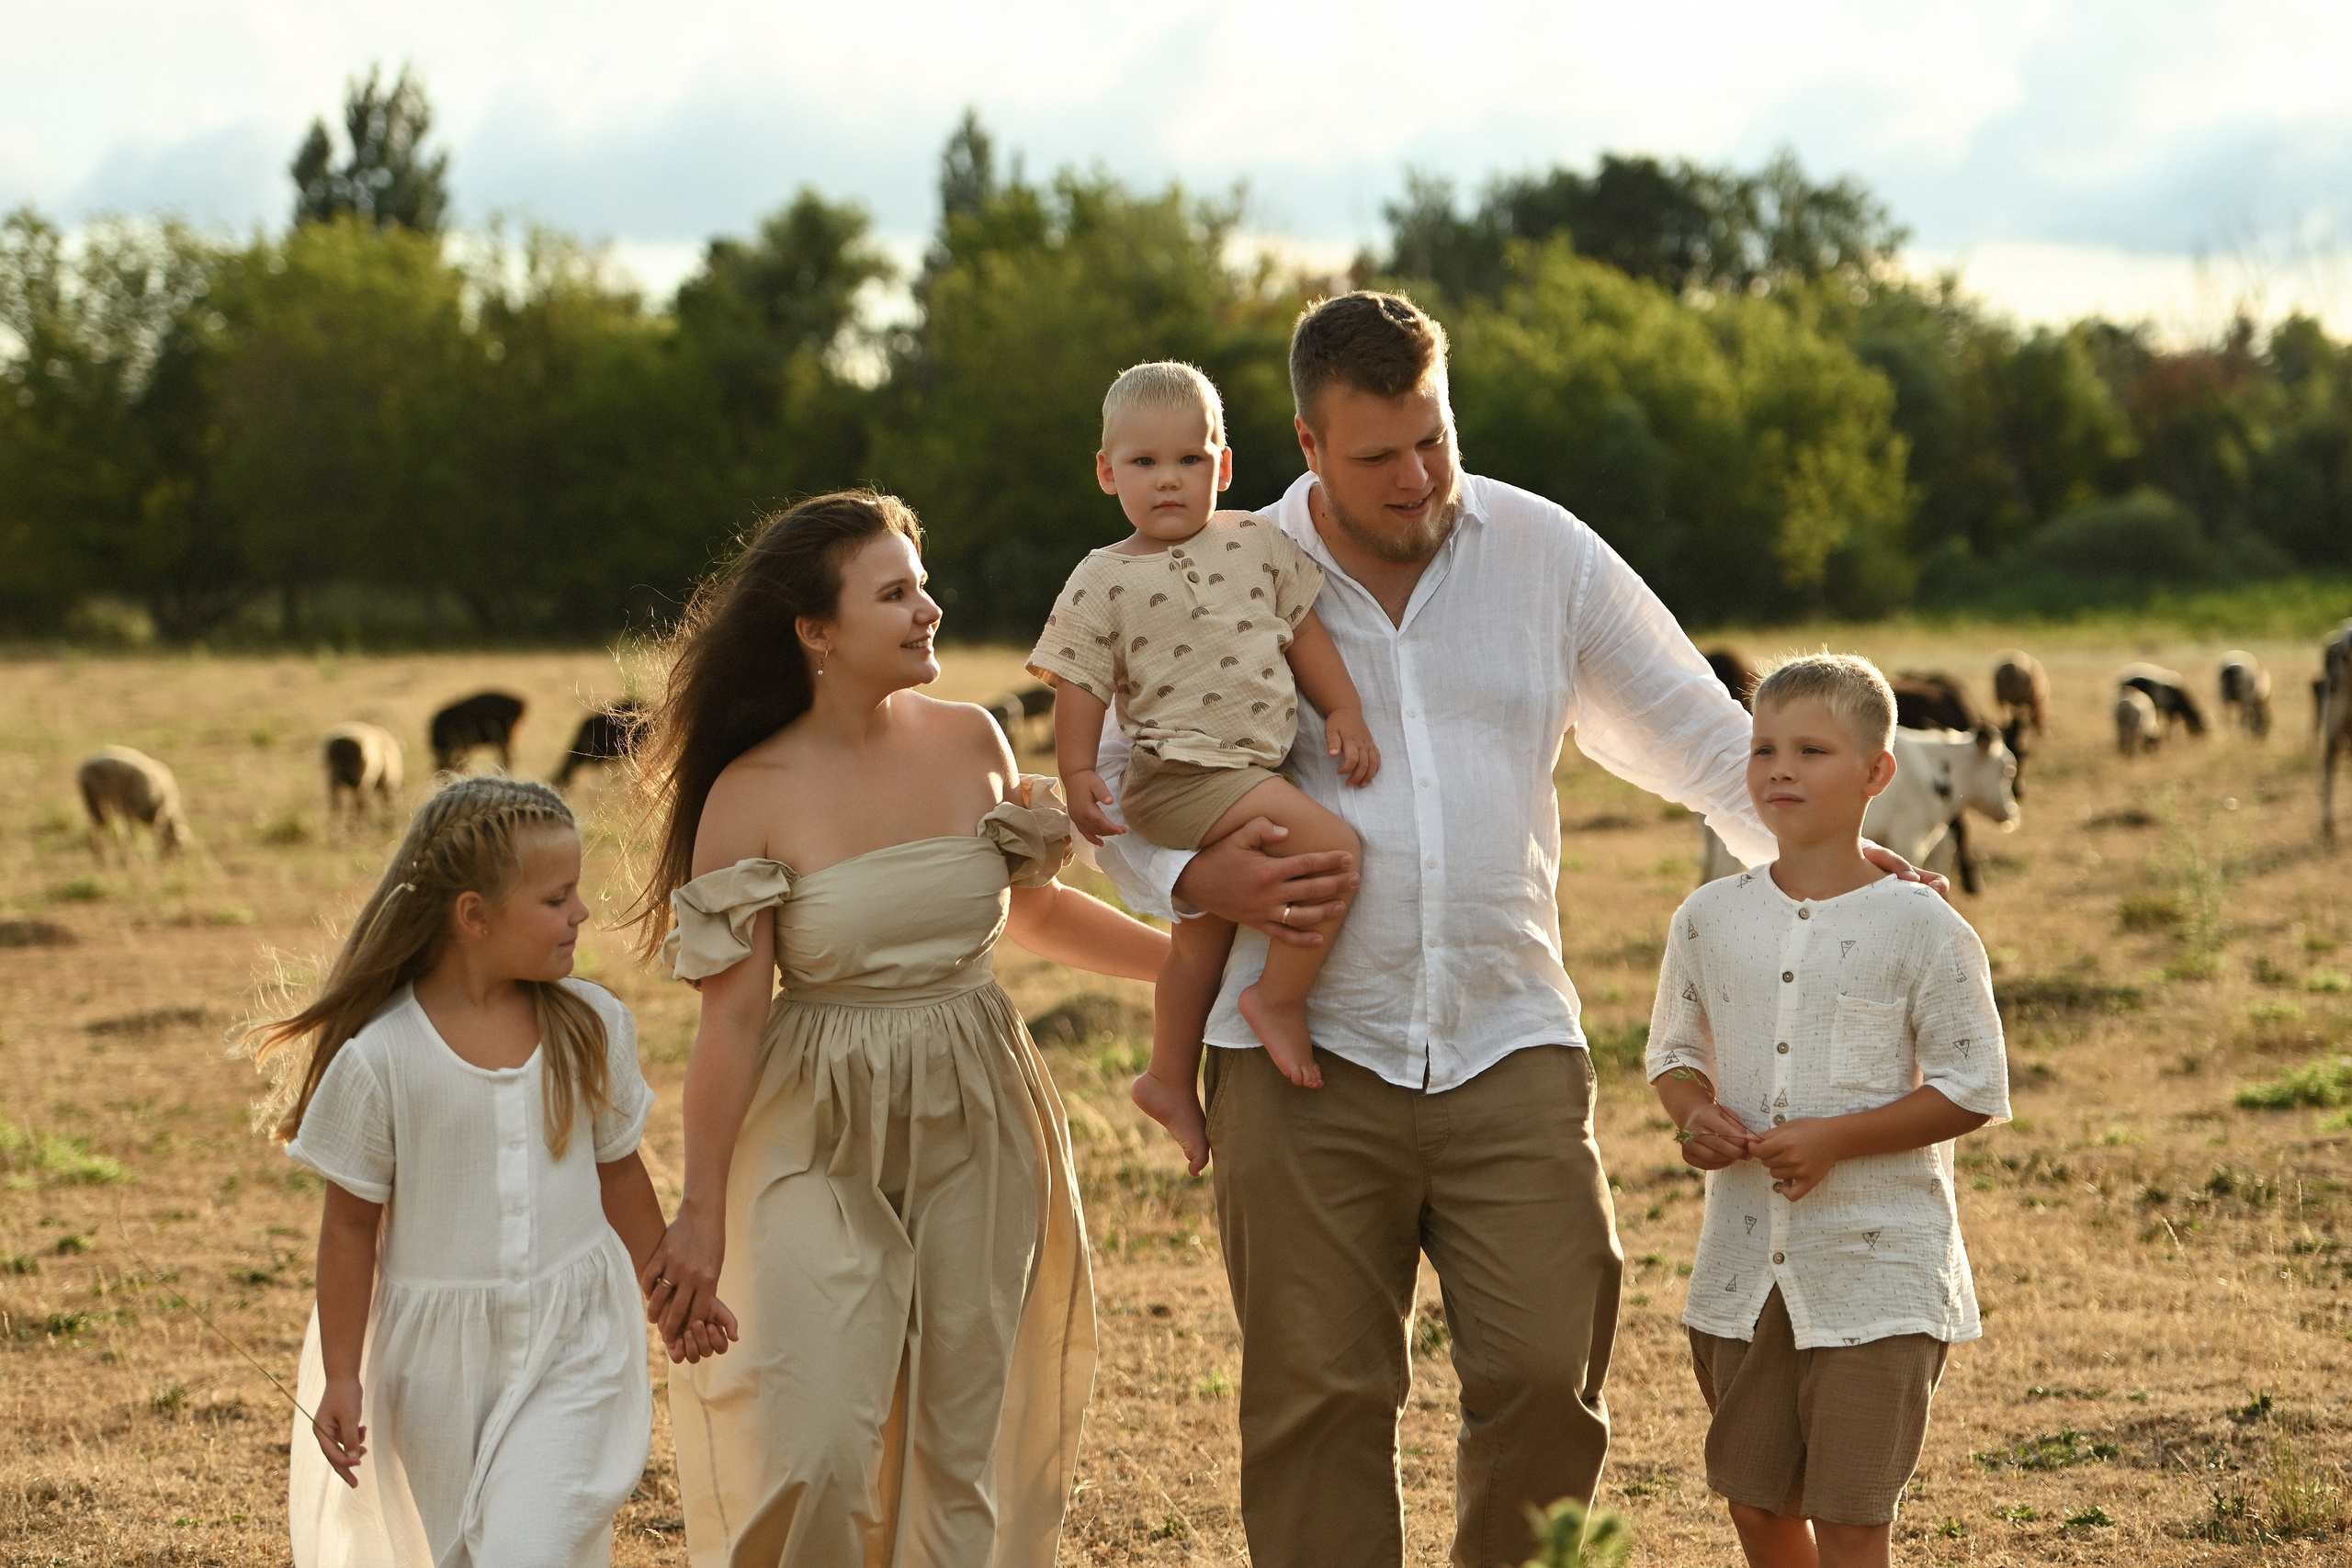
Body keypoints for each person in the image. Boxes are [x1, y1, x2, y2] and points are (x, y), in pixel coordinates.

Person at [1089, 291, 1941, 1568]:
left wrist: (1844, 868)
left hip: (1509, 1041)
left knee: (1549, 1376)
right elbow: (1114, 785)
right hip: (1300, 1055)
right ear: (1306, 447)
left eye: (1433, 438)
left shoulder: (1544, 550)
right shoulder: (1219, 569)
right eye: (1376, 455)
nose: (1416, 476)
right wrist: (1201, 878)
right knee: (1316, 1401)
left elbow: (1701, 733)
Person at [628, 491, 1167, 1568]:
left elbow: (1035, 914)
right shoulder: (750, 791)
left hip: (978, 1103)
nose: (929, 609)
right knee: (820, 1447)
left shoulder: (973, 740)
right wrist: (699, 1212)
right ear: (815, 632)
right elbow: (733, 1019)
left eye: (921, 584)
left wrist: (1191, 966)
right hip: (815, 1119)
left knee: (955, 1450)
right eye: (894, 594)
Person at [248, 775, 724, 1568]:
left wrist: (669, 1295)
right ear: (474, 915)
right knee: (469, 1553)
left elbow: (618, 1174)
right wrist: (342, 1375)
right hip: (435, 1370)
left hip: (576, 1345)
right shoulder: (382, 1058)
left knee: (527, 1546)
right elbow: (350, 1230)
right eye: (557, 898)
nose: (581, 912)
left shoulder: (592, 1027)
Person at [1648, 654, 2008, 1568]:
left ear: (1877, 772)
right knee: (1755, 1501)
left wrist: (1838, 1139)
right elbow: (1673, 1056)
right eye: (1763, 748)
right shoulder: (1706, 918)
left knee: (1851, 1519)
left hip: (1877, 1274)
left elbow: (1973, 1084)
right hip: (1740, 1270)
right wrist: (1693, 1114)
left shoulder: (1923, 925)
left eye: (1811, 751)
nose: (1780, 769)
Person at [1030, 360, 1378, 1172]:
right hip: (1178, 776)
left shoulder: (1256, 542)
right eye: (1144, 462)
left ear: (1221, 466)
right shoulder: (1102, 577)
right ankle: (1277, 999)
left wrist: (1345, 710)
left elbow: (1303, 632)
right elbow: (1079, 683)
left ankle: (1166, 1076)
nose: (1168, 479)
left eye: (1189, 459)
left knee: (1199, 943)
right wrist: (1076, 774)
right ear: (1107, 472)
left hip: (1242, 774)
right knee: (1336, 850)